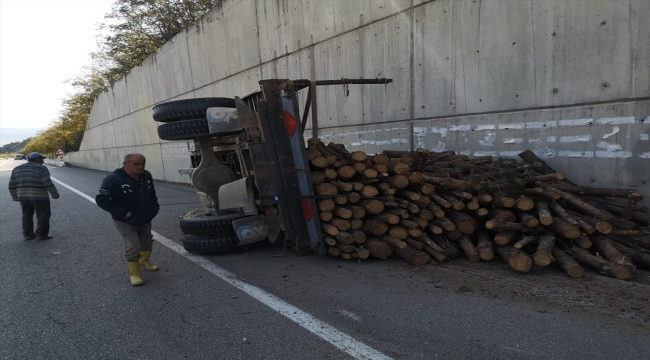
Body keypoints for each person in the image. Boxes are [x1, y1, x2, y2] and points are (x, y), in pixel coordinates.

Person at [95, 154, 160, 286]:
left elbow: (152, 192)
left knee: (146, 241)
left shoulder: (146, 175)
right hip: (125, 220)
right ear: (125, 164)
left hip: (145, 216)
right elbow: (101, 199)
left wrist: (154, 208)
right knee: (133, 245)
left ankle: (145, 262)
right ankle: (135, 274)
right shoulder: (112, 179)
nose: (140, 167)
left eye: (143, 164)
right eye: (136, 164)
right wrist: (123, 213)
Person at [9, 152, 60, 240]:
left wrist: (15, 197)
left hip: (23, 197)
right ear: (37, 159)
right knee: (43, 214)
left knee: (27, 215)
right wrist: (55, 194)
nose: (43, 161)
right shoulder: (41, 168)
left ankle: (28, 235)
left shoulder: (17, 169)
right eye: (41, 159)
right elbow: (47, 183)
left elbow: (11, 185)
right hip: (40, 197)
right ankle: (42, 234)